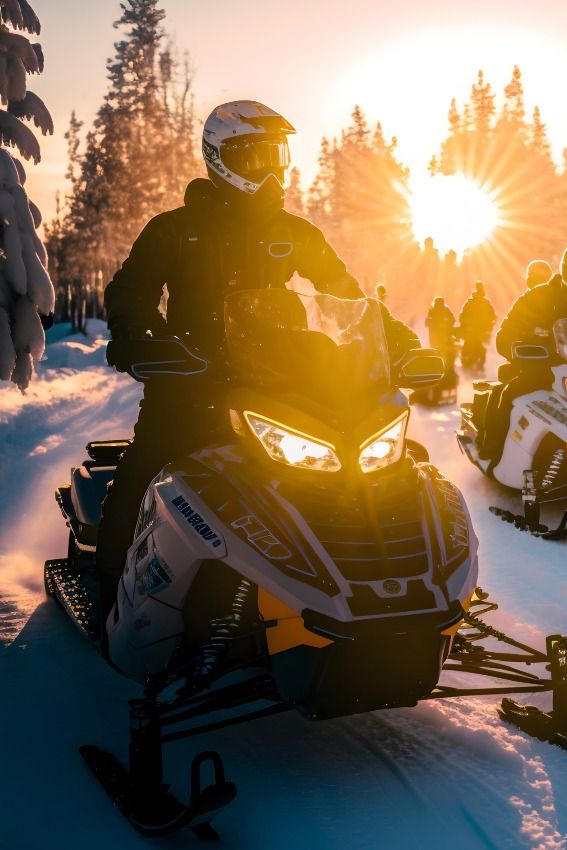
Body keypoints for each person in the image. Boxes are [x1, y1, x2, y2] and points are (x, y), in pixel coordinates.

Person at [97, 100, 418, 614]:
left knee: (347, 468)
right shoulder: (176, 229)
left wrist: (395, 340)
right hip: (189, 381)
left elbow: (345, 292)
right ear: (218, 157)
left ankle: (374, 582)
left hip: (275, 379)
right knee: (147, 466)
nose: (269, 170)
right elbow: (130, 293)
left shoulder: (293, 232)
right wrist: (142, 340)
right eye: (254, 156)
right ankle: (109, 581)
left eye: (277, 155)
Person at [480, 243, 567, 462]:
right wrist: (519, 348)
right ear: (564, 270)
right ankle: (492, 449)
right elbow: (505, 334)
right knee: (507, 394)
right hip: (538, 369)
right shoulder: (537, 297)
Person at [458, 281, 497, 370]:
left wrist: (465, 325)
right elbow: (493, 316)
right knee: (479, 348)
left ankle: (469, 365)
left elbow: (462, 316)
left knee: (469, 347)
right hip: (479, 331)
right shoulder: (485, 302)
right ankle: (478, 366)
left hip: (472, 331)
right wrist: (489, 326)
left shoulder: (470, 302)